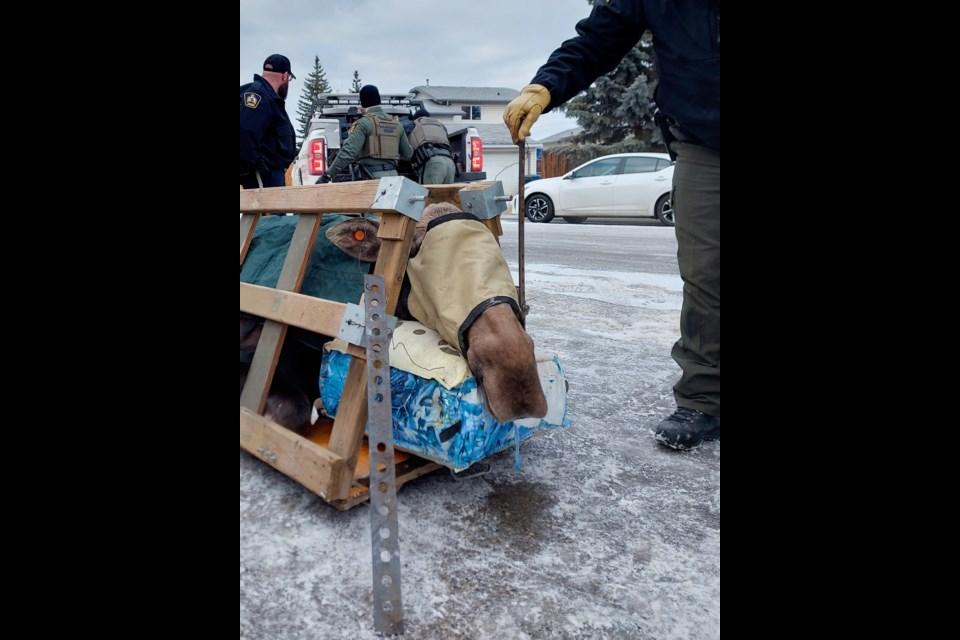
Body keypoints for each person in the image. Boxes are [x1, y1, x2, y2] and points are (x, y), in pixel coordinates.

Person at [503, 0, 720, 450]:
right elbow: (600, 38)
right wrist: (545, 85)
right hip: (704, 140)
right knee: (705, 273)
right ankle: (704, 398)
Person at [317, 85, 413, 183]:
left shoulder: (363, 123)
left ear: (362, 102)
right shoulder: (397, 124)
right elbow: (408, 154)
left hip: (371, 180)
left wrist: (327, 175)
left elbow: (348, 153)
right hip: (395, 179)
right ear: (378, 99)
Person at [240, 54, 297, 190]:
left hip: (270, 176)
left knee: (277, 211)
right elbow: (244, 134)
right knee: (271, 212)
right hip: (263, 178)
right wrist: (258, 169)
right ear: (284, 76)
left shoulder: (270, 98)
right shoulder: (258, 95)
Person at [403, 108, 456, 185]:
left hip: (433, 163)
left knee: (428, 195)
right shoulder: (441, 126)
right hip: (450, 164)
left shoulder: (413, 124)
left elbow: (404, 148)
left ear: (416, 118)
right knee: (446, 196)